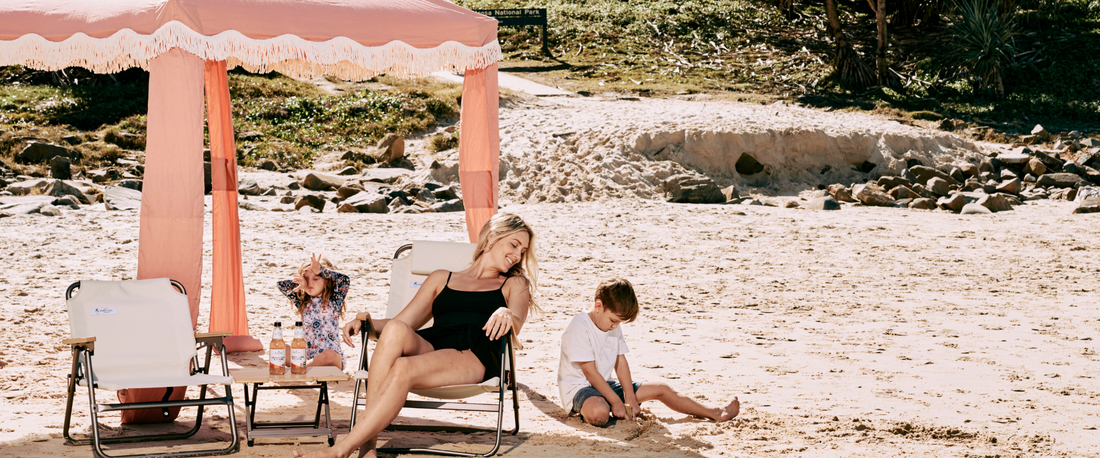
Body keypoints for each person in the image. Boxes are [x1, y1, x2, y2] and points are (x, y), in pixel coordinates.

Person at [293, 212, 538, 458]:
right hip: (434, 344)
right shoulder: (442, 278)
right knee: (396, 329)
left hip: (474, 353)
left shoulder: (515, 284)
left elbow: (516, 322)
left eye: (523, 251)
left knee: (403, 367)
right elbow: (400, 323)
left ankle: (341, 451)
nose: (518, 255)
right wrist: (365, 322)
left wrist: (507, 313)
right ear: (492, 238)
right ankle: (368, 449)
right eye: (514, 245)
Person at [558, 278, 739, 426]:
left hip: (605, 385)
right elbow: (589, 373)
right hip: (580, 388)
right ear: (598, 307)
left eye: (619, 323)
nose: (615, 326)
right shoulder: (579, 326)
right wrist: (616, 401)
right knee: (599, 413)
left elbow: (620, 362)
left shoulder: (613, 326)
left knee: (662, 389)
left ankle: (715, 412)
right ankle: (606, 406)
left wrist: (629, 397)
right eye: (613, 321)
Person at [277, 253, 349, 370]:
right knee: (281, 348)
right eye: (306, 279)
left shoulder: (335, 299)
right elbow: (281, 285)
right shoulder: (302, 301)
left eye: (316, 279)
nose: (310, 283)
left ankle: (299, 369)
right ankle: (304, 367)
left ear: (327, 281)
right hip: (308, 356)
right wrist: (302, 283)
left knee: (328, 355)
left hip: (331, 359)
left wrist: (321, 271)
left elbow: (345, 280)